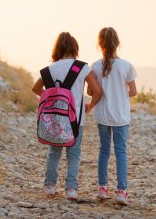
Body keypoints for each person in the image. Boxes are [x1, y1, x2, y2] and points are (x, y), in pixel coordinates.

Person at [32, 32, 101, 200]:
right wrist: (89, 107)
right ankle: (71, 189)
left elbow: (35, 89)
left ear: (57, 49)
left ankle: (49, 186)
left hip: (53, 119)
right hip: (75, 119)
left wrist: (49, 98)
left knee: (54, 152)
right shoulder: (81, 67)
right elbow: (97, 91)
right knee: (74, 154)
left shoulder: (49, 69)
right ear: (74, 48)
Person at [88, 27, 137, 205]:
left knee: (103, 150)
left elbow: (91, 90)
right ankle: (121, 192)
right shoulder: (127, 66)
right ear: (117, 44)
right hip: (120, 116)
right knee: (121, 151)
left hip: (102, 115)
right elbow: (133, 92)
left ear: (99, 44)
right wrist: (120, 91)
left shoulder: (94, 66)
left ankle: (102, 188)